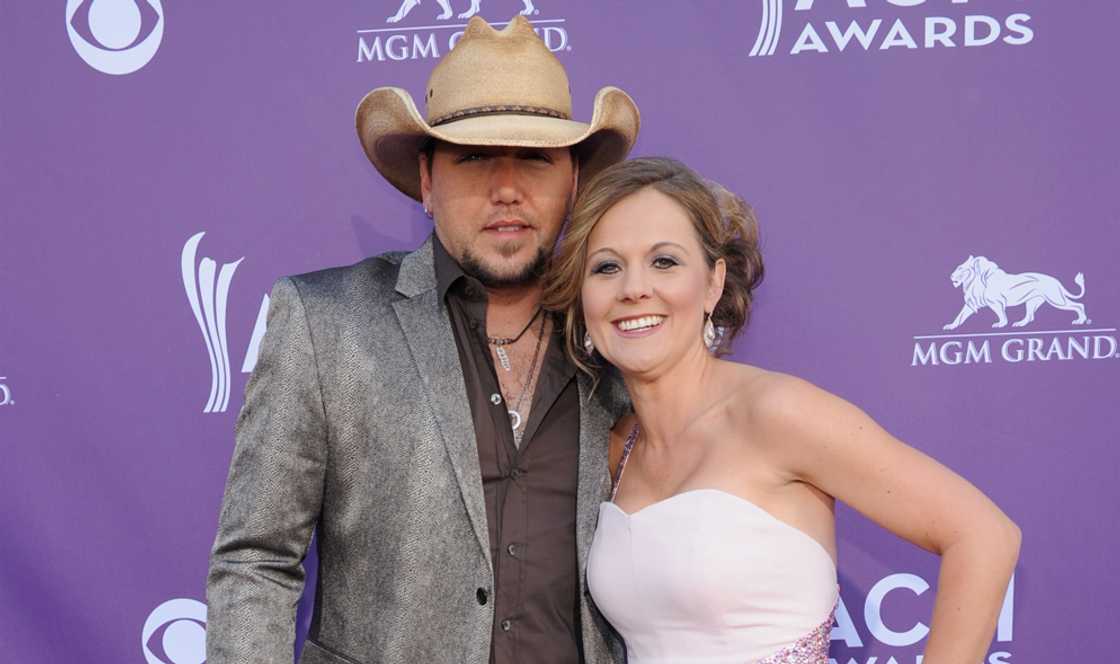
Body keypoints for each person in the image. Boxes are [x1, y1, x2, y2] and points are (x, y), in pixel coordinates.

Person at [205, 16, 639, 664]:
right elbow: (257, 560)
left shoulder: (618, 339)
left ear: (573, 182)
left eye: (535, 159)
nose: (507, 189)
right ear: (428, 183)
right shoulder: (325, 322)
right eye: (474, 158)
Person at [542, 157, 1021, 664]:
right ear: (582, 296)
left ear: (713, 283)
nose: (634, 288)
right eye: (607, 267)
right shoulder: (617, 446)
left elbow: (983, 534)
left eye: (664, 261)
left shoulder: (776, 414)